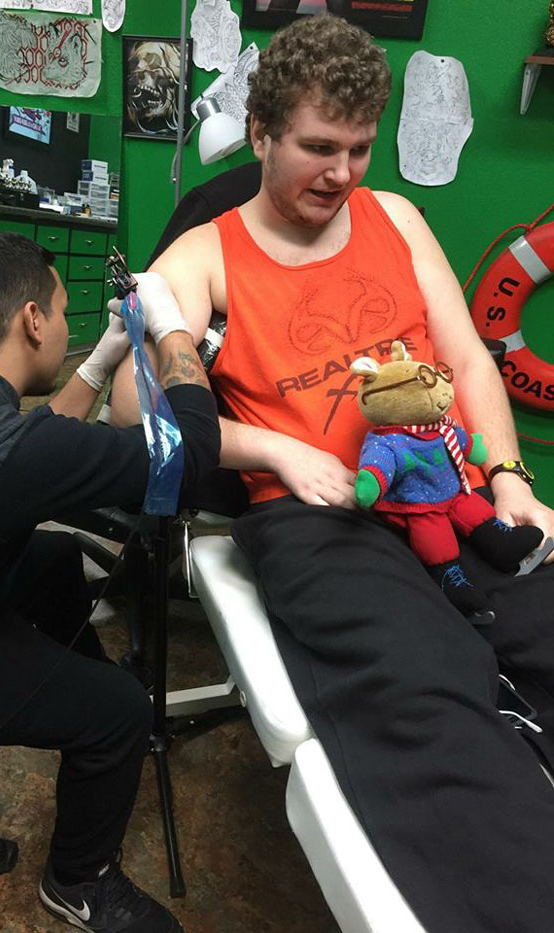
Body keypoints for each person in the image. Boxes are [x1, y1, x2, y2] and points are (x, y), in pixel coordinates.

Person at [111, 13, 554, 933]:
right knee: (423, 689)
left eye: (358, 149)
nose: (342, 173)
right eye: (318, 147)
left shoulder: (397, 219)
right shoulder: (206, 254)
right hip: (317, 518)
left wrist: (511, 478)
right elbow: (131, 412)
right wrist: (277, 449)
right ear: (261, 134)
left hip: (448, 486)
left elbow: (468, 362)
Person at [0, 232, 220, 933]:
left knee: (50, 558)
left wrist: (105, 358)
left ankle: (78, 711)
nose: (66, 325)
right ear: (31, 321)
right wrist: (174, 327)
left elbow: (31, 452)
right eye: (62, 312)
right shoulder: (6, 452)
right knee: (122, 709)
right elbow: (192, 458)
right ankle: (79, 880)